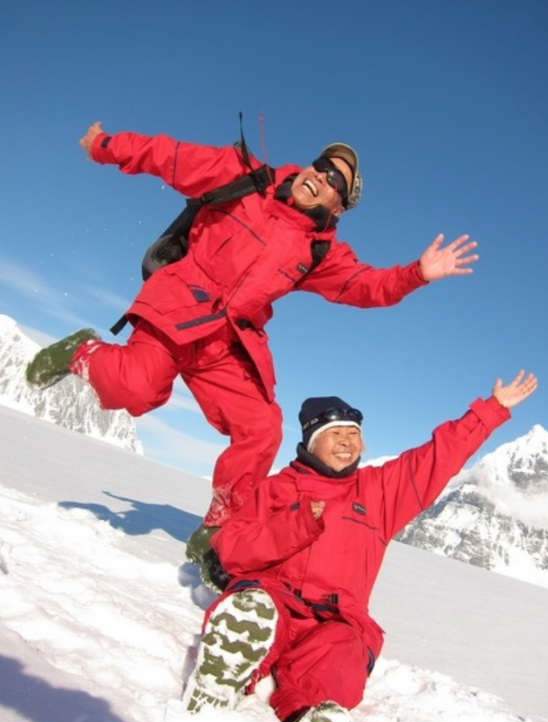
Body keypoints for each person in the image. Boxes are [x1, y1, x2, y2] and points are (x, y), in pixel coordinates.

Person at [26, 120, 478, 570]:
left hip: (226, 343)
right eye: (321, 166)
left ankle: (218, 531)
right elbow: (171, 156)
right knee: (134, 391)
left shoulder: (321, 251)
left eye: (335, 180)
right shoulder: (244, 177)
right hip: (175, 308)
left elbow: (366, 287)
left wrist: (416, 274)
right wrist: (106, 145)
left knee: (262, 428)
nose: (320, 176)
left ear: (339, 206)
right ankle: (80, 351)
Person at [183, 371, 538, 722]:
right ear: (311, 441)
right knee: (252, 609)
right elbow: (233, 551)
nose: (347, 443)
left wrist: (491, 410)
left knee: (344, 652)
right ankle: (219, 685)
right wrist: (294, 526)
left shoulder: (380, 491)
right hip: (274, 600)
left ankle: (315, 717)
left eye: (353, 435)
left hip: (339, 617)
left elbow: (438, 455)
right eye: (336, 434)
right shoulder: (275, 489)